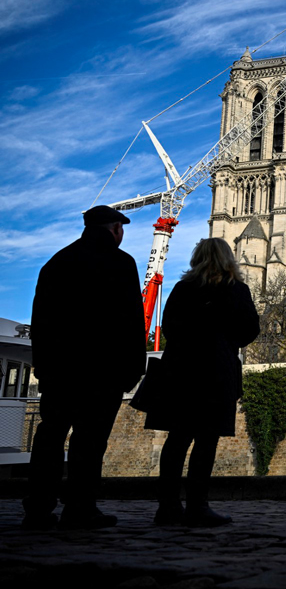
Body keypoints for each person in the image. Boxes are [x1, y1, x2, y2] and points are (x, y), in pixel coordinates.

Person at [23, 205, 146, 530]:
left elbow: (41, 321)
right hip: (102, 372)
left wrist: (42, 365)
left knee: (50, 436)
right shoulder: (121, 263)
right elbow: (133, 321)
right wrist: (135, 366)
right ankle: (80, 506)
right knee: (89, 442)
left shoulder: (56, 263)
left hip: (60, 371)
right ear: (116, 228)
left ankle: (38, 506)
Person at [145, 238, 259, 527]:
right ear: (228, 259)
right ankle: (198, 506)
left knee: (177, 439)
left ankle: (168, 507)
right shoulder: (236, 290)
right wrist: (224, 341)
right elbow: (250, 331)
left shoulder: (183, 288)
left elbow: (168, 327)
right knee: (206, 441)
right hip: (216, 371)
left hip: (181, 370)